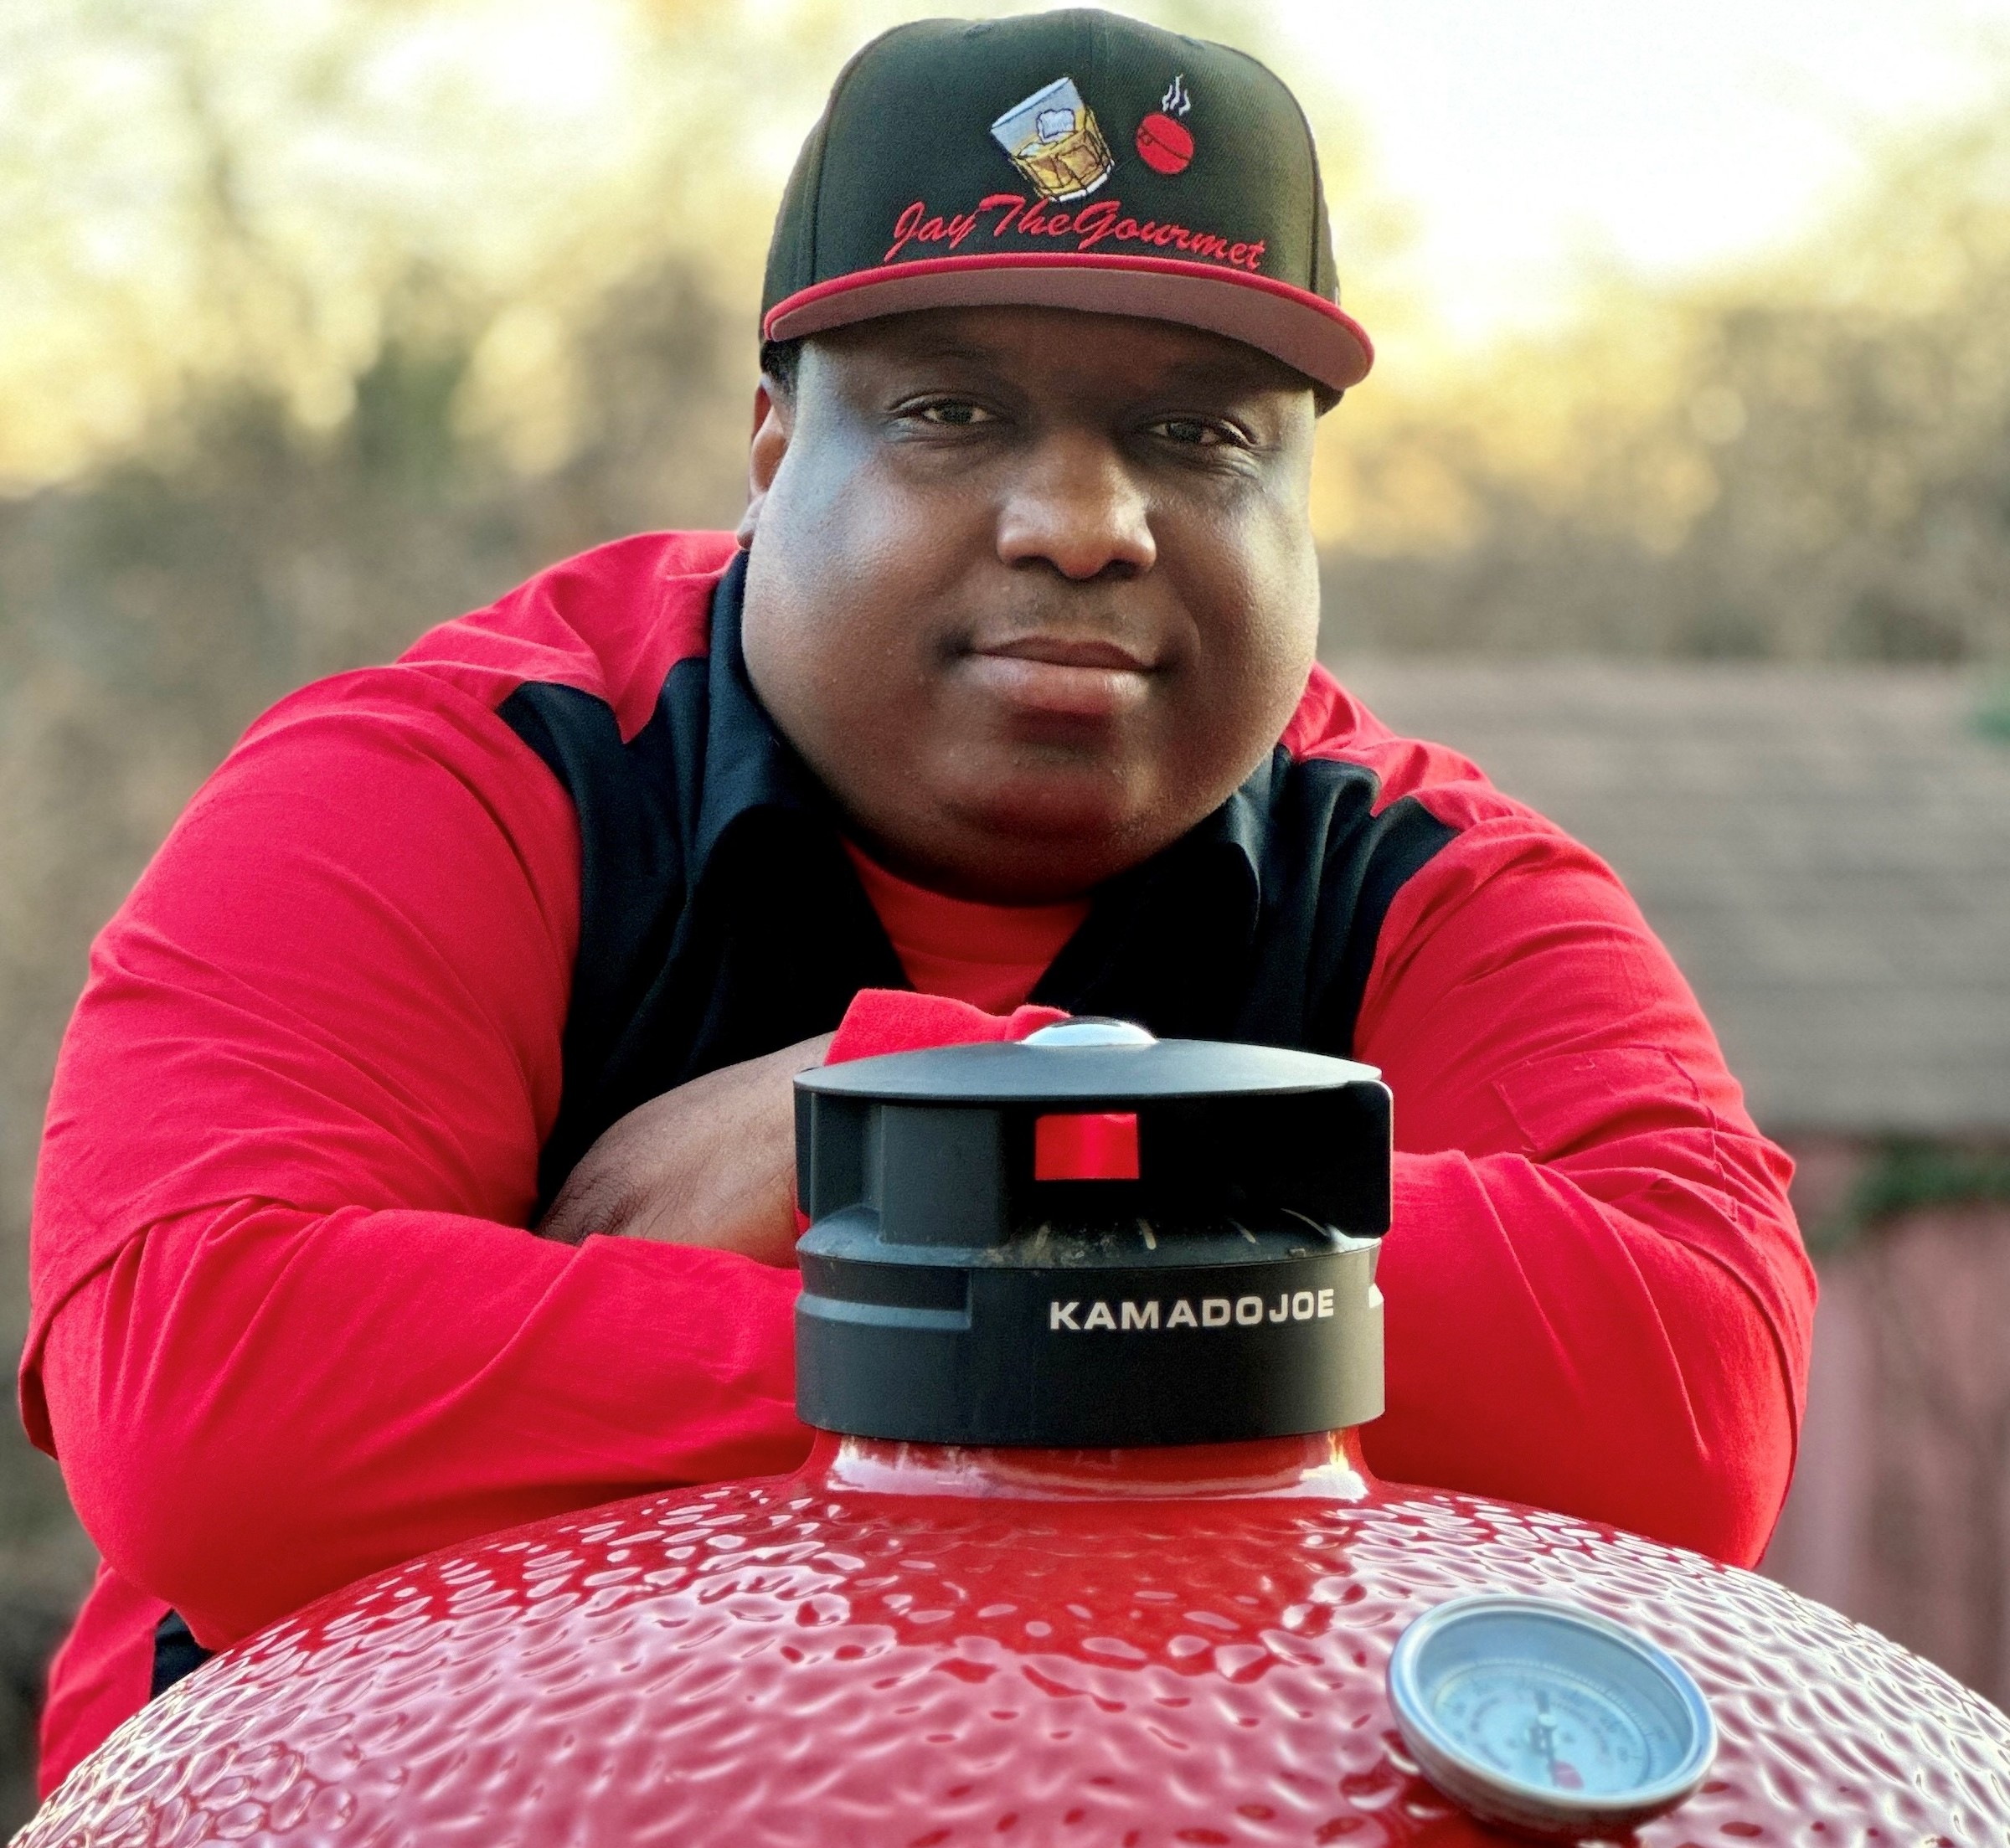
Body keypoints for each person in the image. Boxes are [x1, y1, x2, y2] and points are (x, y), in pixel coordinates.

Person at [22, 7, 1813, 1796]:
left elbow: (1692, 1401)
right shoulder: (453, 775)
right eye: (953, 412)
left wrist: (925, 1130)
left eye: (1200, 436)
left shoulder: (1428, 873)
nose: (1087, 520)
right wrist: (1171, 1298)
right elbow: (212, 1399)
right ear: (770, 443)